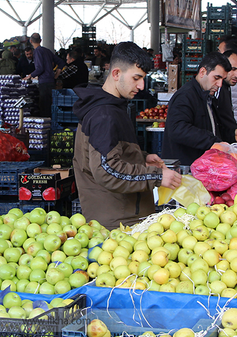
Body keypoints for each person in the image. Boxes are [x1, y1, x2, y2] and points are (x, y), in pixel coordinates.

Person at [72, 42, 181, 227]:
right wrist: (157, 177)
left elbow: (109, 153)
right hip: (117, 225)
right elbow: (107, 171)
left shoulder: (112, 108)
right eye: (136, 78)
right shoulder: (104, 115)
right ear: (116, 74)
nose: (141, 86)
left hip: (125, 216)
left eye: (143, 78)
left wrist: (141, 158)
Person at [162, 52, 237, 165]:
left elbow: (210, 127)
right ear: (202, 72)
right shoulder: (185, 96)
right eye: (216, 78)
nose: (220, 84)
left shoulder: (207, 96)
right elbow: (178, 129)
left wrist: (232, 134)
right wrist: (212, 142)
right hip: (186, 167)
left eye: (222, 79)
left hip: (202, 166)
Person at [24, 34, 65, 117]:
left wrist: (30, 76)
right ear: (41, 40)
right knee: (50, 105)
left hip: (44, 82)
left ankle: (46, 123)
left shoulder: (37, 52)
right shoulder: (47, 51)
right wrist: (56, 75)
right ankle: (51, 122)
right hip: (51, 81)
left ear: (31, 41)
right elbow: (61, 62)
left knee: (44, 107)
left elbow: (40, 69)